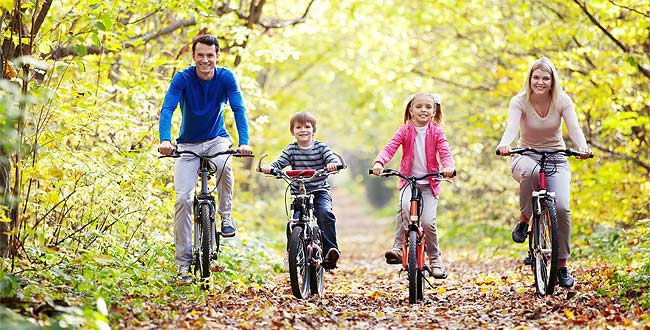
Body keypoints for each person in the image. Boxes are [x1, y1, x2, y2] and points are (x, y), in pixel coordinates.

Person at [158, 34, 253, 284]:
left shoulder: (226, 77)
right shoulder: (182, 78)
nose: (205, 60)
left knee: (224, 165)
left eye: (210, 55)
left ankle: (226, 215)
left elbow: (239, 109)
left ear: (217, 57)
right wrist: (165, 140)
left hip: (216, 140)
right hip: (187, 144)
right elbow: (167, 108)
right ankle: (183, 266)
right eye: (200, 55)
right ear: (194, 56)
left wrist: (243, 142)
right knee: (182, 200)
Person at [496, 57, 591, 288]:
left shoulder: (563, 101)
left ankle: (562, 266)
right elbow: (511, 127)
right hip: (525, 155)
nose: (540, 82)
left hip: (556, 157)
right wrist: (504, 144)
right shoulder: (519, 102)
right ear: (529, 79)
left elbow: (574, 128)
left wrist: (583, 147)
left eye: (545, 78)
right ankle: (524, 219)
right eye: (536, 77)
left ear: (552, 81)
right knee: (530, 173)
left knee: (561, 207)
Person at [372, 93, 456, 279]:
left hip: (429, 184)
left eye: (428, 107)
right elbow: (390, 148)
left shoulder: (437, 133)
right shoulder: (404, 131)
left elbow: (445, 152)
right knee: (404, 209)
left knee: (428, 222)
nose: (423, 110)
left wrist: (449, 167)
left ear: (434, 111)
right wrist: (380, 163)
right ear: (411, 110)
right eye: (419, 107)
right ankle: (398, 249)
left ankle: (435, 260)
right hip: (408, 181)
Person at [260, 112, 342, 270]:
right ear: (292, 132)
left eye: (307, 126)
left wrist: (333, 164)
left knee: (325, 214)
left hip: (319, 190)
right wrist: (271, 168)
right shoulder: (291, 150)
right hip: (299, 192)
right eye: (298, 127)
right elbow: (279, 163)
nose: (303, 130)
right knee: (293, 223)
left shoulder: (321, 147)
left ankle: (330, 252)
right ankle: (293, 253)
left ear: (313, 130)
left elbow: (332, 159)